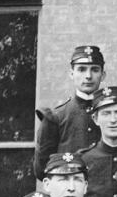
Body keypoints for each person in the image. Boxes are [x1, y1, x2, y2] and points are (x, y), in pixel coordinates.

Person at [34, 44, 104, 177]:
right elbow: (41, 170)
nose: (88, 76)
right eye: (82, 69)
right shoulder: (56, 117)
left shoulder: (112, 114)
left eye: (94, 70)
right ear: (71, 74)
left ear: (103, 75)